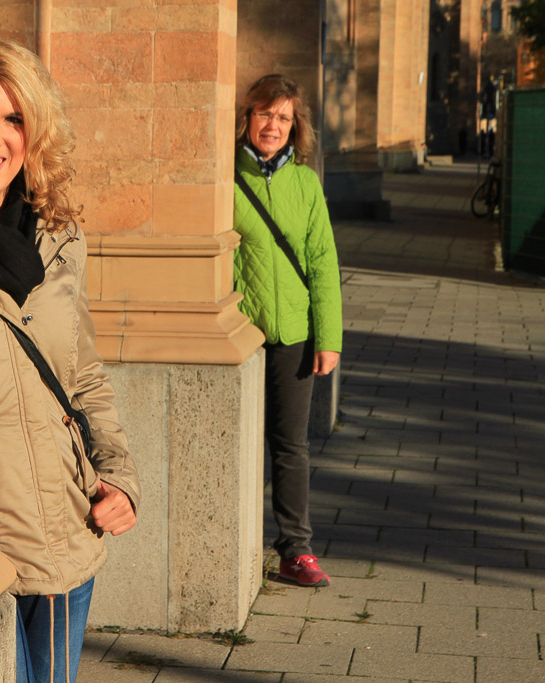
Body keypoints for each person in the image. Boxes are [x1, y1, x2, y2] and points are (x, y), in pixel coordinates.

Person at [0, 36, 140, 683]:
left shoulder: (60, 234)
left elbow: (81, 375)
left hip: (65, 530)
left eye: (12, 118)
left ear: (34, 131)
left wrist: (120, 476)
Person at [232, 74, 343, 587]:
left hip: (296, 332)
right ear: (246, 118)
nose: (272, 125)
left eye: (283, 117)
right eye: (264, 114)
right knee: (242, 443)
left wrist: (329, 338)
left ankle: (295, 550)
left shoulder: (305, 183)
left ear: (294, 125)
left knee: (290, 445)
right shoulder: (225, 178)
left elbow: (322, 263)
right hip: (244, 330)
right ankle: (234, 542)